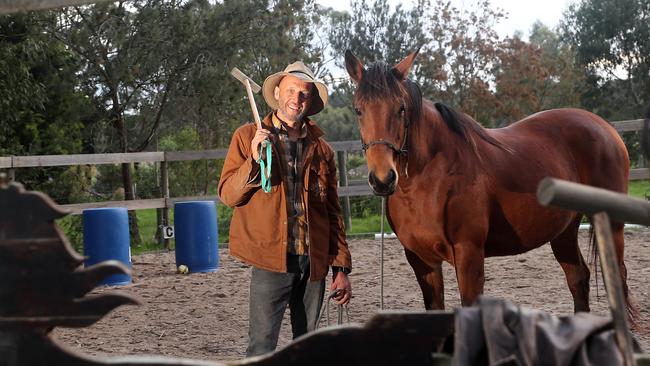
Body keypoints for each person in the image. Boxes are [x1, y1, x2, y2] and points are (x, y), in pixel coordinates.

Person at [218, 61, 352, 357]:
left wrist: (341, 268)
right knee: (262, 347)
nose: (296, 99)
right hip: (270, 261)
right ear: (278, 92)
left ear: (311, 101)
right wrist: (254, 160)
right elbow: (229, 196)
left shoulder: (322, 149)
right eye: (291, 90)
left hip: (313, 262)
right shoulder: (247, 136)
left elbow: (333, 212)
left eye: (304, 94)